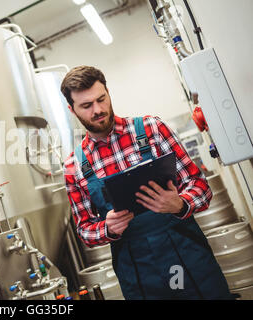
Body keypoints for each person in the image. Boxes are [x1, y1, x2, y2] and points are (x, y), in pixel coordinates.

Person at [61, 65, 233, 300]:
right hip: (138, 272)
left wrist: (180, 204)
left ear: (108, 93)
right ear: (72, 110)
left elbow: (200, 186)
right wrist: (107, 228)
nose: (98, 110)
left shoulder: (152, 129)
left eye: (101, 99)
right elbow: (84, 230)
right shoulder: (74, 166)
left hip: (185, 255)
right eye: (86, 106)